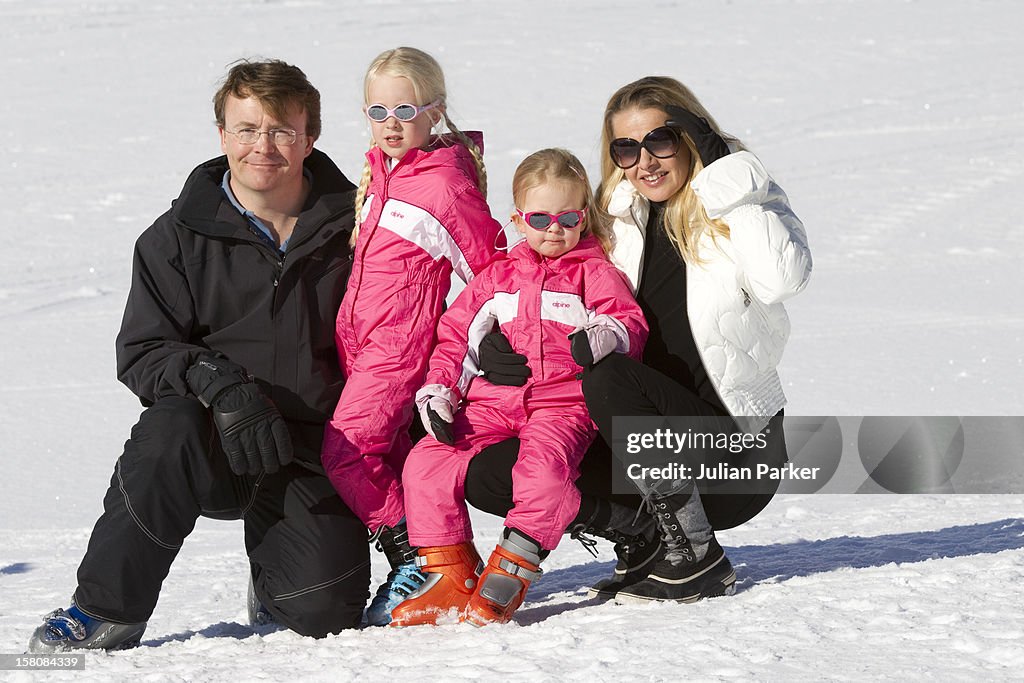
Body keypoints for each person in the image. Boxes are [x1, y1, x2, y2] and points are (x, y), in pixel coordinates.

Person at [28, 59, 370, 653]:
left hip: (316, 448)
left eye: (281, 130)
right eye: (245, 129)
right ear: (221, 135)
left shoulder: (361, 227)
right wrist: (220, 384)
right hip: (214, 437)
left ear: (310, 137)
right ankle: (105, 609)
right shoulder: (175, 236)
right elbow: (144, 350)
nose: (262, 146)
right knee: (169, 426)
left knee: (322, 615)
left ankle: (275, 583)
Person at [465, 76, 812, 604]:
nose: (645, 161)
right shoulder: (615, 216)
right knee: (491, 471)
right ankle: (644, 536)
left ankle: (695, 552)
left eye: (661, 142)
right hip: (641, 448)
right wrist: (499, 343)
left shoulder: (742, 204)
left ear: (693, 138)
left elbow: (782, 279)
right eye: (626, 148)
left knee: (608, 376)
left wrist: (725, 174)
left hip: (733, 454)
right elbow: (546, 285)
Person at [387, 149, 648, 627]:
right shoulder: (497, 277)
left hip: (562, 405)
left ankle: (512, 567)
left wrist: (603, 336)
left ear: (583, 216)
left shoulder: (594, 272)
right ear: (518, 219)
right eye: (541, 217)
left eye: (568, 217)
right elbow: (456, 338)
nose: (555, 229)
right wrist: (439, 392)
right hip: (494, 403)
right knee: (425, 462)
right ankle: (448, 572)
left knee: (542, 474)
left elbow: (626, 321)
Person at [320, 47, 502, 626]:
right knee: (393, 454)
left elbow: (489, 271)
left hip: (399, 349)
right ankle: (448, 562)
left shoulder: (445, 188)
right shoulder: (381, 171)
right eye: (378, 110)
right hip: (362, 342)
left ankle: (410, 557)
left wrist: (493, 343)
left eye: (404, 108)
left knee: (345, 451)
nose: (391, 122)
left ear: (436, 110)